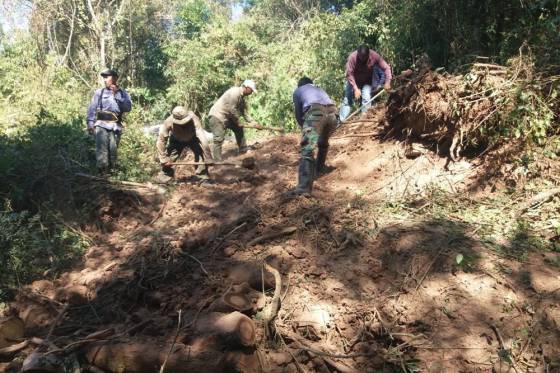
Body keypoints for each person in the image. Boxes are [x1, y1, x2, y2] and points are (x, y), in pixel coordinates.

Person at [289, 77, 337, 196]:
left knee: (307, 149)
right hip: (333, 114)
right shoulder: (318, 88)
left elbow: (298, 113)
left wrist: (303, 127)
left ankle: (303, 188)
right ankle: (319, 169)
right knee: (322, 142)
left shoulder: (298, 91)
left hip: (315, 112)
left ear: (299, 85)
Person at [86, 69, 132, 174]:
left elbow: (128, 108)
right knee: (101, 150)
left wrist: (117, 95)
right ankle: (102, 173)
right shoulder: (99, 92)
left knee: (113, 150)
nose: (105, 79)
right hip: (101, 124)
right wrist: (90, 123)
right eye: (104, 77)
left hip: (115, 126)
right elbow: (92, 108)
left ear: (115, 78)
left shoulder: (123, 93)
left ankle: (112, 173)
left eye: (107, 77)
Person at [157, 106, 213, 182]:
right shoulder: (168, 121)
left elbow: (202, 138)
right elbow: (161, 140)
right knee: (170, 156)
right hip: (176, 139)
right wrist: (163, 159)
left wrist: (208, 157)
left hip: (193, 138)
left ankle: (202, 177)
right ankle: (165, 177)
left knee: (200, 155)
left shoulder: (194, 118)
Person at [208, 80, 258, 162]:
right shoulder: (234, 93)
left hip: (227, 117)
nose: (251, 93)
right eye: (251, 90)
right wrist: (238, 122)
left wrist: (253, 123)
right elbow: (232, 109)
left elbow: (244, 112)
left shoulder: (241, 98)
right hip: (217, 116)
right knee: (218, 139)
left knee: (238, 129)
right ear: (247, 88)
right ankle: (217, 161)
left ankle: (243, 149)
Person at [339, 45, 392, 122]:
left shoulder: (374, 56)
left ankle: (364, 120)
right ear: (358, 54)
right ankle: (341, 120)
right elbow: (349, 74)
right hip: (353, 81)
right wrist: (356, 88)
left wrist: (388, 82)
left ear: (368, 54)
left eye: (364, 57)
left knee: (366, 98)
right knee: (347, 98)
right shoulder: (352, 58)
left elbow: (386, 68)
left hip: (367, 81)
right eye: (361, 57)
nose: (363, 59)